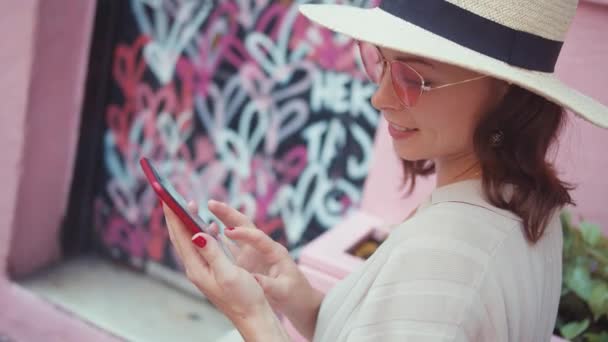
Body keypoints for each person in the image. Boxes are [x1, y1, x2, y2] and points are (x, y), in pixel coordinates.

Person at [162, 0, 608, 341]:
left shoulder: (446, 255)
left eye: (414, 78)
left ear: (506, 91)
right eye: (379, 62)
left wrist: (250, 315)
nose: (380, 97)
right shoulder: (526, 206)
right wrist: (304, 301)